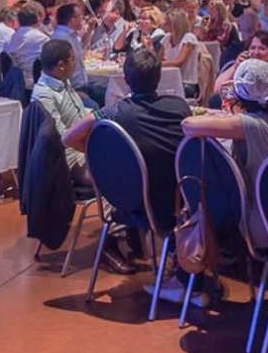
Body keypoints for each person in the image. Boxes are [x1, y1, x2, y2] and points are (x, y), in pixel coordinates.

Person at [62, 49, 190, 264]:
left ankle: (125, 243)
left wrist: (100, 153)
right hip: (178, 199)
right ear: (159, 77)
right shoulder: (180, 107)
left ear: (126, 80)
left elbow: (68, 138)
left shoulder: (115, 113)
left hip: (130, 198)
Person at [182, 59, 268, 248]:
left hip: (260, 223)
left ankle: (197, 254)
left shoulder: (250, 125)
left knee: (205, 172)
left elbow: (188, 125)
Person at [30, 39, 91, 181]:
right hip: (71, 159)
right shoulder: (44, 95)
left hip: (85, 146)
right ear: (61, 65)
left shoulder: (61, 80)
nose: (76, 64)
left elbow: (78, 114)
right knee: (119, 175)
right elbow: (61, 138)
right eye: (73, 60)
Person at [213, 30, 268, 107]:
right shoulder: (246, 68)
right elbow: (217, 90)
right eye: (253, 48)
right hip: (246, 110)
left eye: (262, 48)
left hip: (267, 113)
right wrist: (235, 67)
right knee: (215, 100)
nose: (256, 53)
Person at [4, 3, 49, 89]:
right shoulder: (42, 39)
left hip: (16, 84)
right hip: (35, 84)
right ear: (38, 18)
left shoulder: (12, 37)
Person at [159, 8, 201, 97]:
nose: (164, 24)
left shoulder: (189, 38)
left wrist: (159, 64)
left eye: (167, 22)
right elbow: (158, 58)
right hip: (168, 79)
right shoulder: (166, 38)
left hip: (186, 82)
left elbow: (179, 62)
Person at [51, 3, 91, 92]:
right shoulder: (61, 37)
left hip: (81, 85)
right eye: (80, 16)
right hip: (72, 89)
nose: (83, 19)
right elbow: (60, 70)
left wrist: (90, 30)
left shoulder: (71, 34)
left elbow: (81, 51)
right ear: (72, 19)